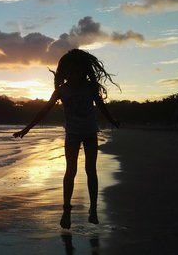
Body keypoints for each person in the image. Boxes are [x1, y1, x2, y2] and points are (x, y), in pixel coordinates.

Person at [13, 48, 120, 229]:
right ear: (65, 73)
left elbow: (101, 106)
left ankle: (93, 209)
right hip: (72, 134)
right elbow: (44, 110)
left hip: (89, 133)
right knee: (70, 171)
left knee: (90, 170)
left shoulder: (90, 87)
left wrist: (112, 120)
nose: (74, 75)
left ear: (84, 72)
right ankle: (66, 210)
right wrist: (27, 129)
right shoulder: (62, 91)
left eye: (77, 72)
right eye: (70, 72)